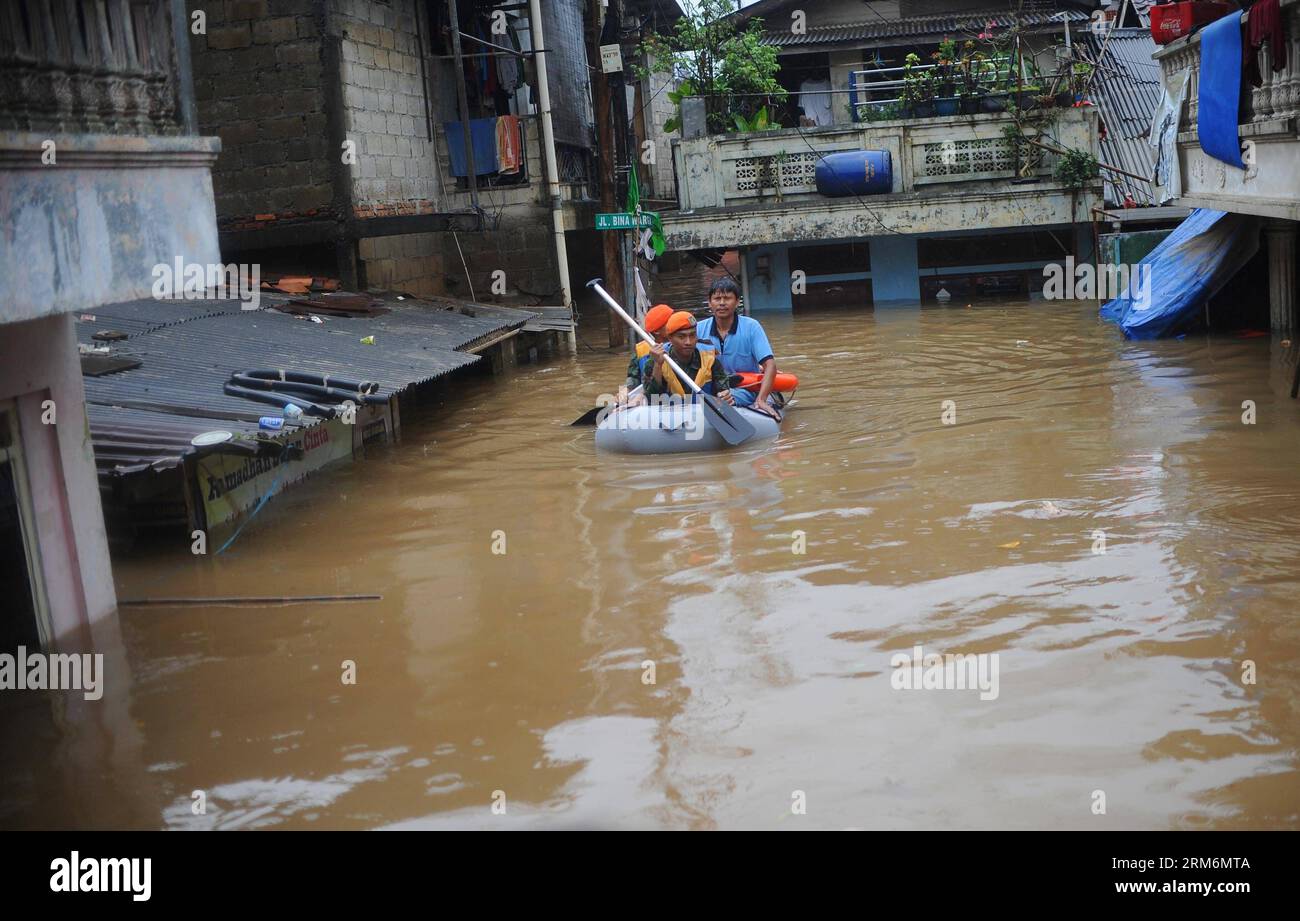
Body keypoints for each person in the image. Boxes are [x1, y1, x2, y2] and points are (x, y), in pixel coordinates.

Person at [695, 277, 781, 417]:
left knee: (725, 398)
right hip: (709, 387)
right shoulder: (698, 329)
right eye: (717, 298)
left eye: (727, 298)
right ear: (710, 303)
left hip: (744, 389)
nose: (722, 303)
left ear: (737, 302)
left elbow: (770, 365)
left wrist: (761, 399)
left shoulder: (752, 327)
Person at [644, 311, 734, 403]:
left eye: (692, 335)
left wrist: (724, 395)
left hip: (703, 412)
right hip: (671, 413)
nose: (688, 342)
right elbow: (652, 400)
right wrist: (658, 366)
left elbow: (723, 387)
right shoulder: (656, 360)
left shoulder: (709, 357)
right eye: (681, 337)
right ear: (670, 338)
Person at [617, 303, 674, 403]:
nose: (676, 323)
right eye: (671, 321)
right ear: (657, 331)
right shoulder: (640, 350)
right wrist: (623, 391)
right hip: (656, 398)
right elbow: (632, 378)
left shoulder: (682, 345)